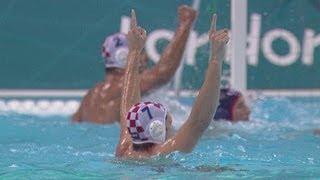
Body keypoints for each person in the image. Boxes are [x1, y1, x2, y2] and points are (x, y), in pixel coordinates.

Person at [116, 10, 229, 158]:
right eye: (168, 122)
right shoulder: (162, 153)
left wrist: (134, 51)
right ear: (156, 128)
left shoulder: (124, 149)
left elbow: (128, 111)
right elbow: (199, 122)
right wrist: (216, 59)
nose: (172, 125)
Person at [72, 5, 197, 124]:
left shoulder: (88, 99)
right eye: (140, 52)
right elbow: (163, 73)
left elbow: (74, 123)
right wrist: (185, 24)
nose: (146, 59)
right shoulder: (124, 85)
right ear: (123, 57)